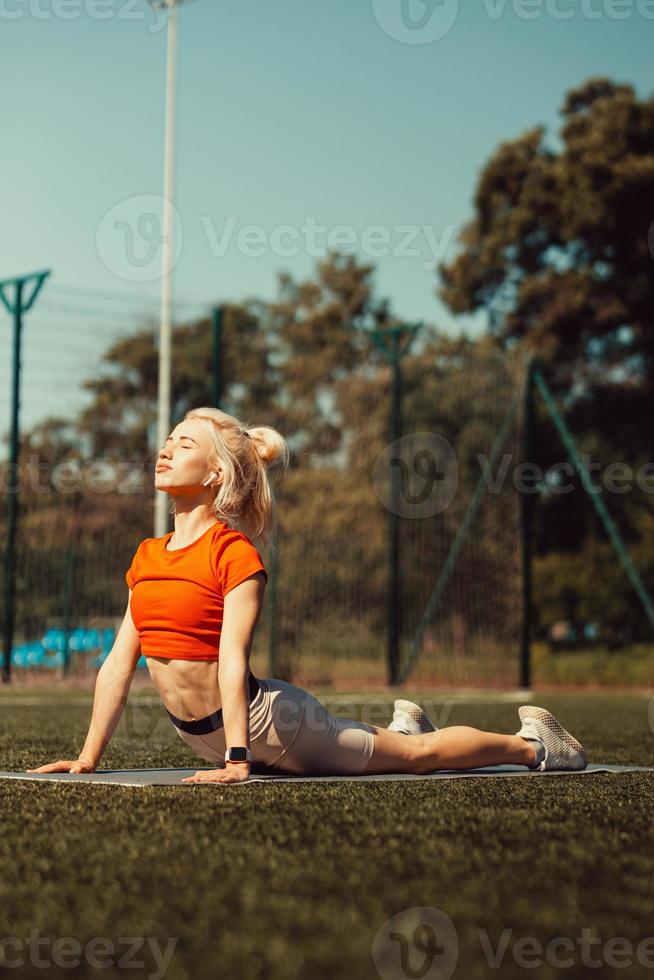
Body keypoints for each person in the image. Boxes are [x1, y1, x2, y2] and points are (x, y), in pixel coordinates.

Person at [28, 407, 588, 784]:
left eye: (184, 442)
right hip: (206, 739)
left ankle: (535, 745)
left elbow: (232, 659)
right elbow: (116, 666)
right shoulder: (147, 556)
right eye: (168, 438)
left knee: (415, 760)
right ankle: (403, 726)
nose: (166, 449)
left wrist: (238, 756)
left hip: (273, 725)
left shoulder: (234, 554)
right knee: (390, 745)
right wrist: (87, 760)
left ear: (218, 474)